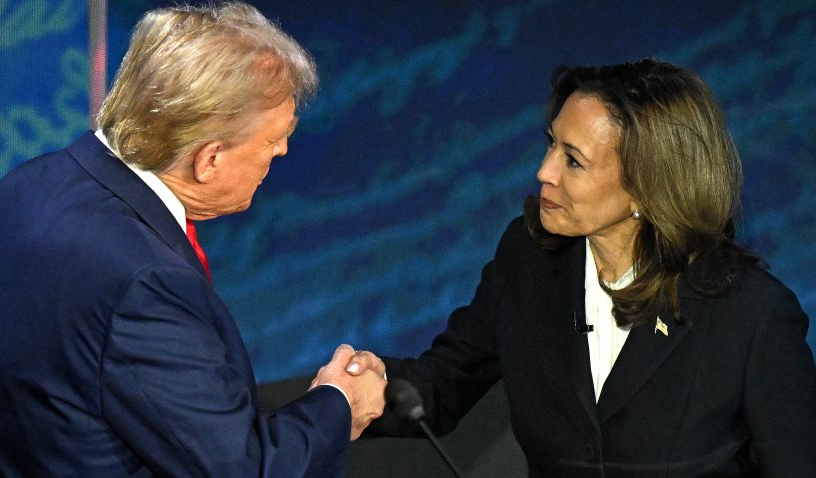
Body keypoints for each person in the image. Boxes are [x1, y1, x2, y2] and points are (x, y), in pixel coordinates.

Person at [0, 3, 385, 477]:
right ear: (209, 159)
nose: (283, 151)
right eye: (273, 142)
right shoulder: (146, 281)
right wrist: (340, 403)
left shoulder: (26, 184)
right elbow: (242, 470)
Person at [345, 59, 816, 476]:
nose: (544, 172)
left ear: (647, 186)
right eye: (551, 145)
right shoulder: (528, 259)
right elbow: (447, 380)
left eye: (573, 160)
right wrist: (373, 389)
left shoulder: (753, 317)